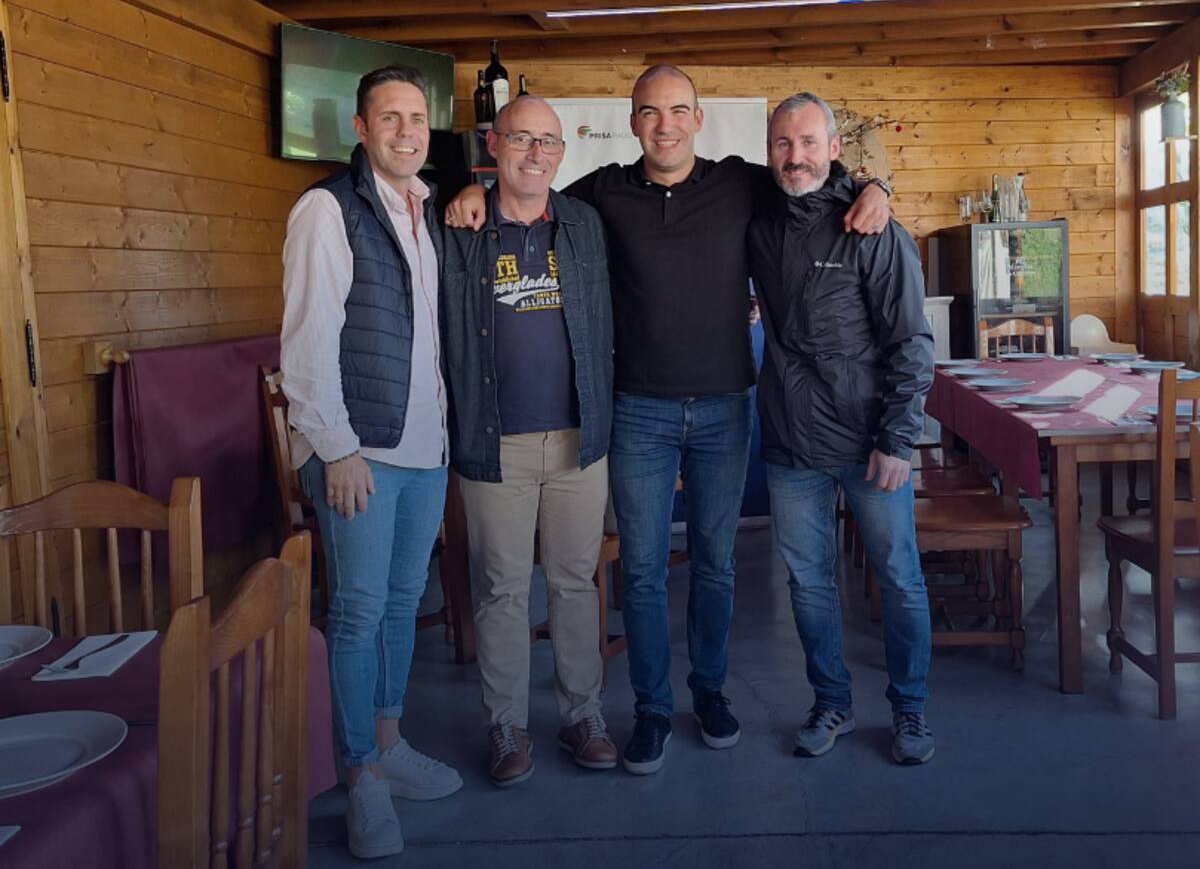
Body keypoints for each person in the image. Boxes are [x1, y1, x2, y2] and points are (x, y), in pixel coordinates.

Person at [447, 65, 891, 776]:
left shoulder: (740, 182)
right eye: (651, 112)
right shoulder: (602, 193)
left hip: (723, 409)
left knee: (715, 566)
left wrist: (876, 187)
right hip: (637, 412)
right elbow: (528, 194)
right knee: (645, 572)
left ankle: (709, 693)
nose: (665, 125)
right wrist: (470, 190)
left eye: (678, 110)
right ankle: (652, 708)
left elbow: (811, 176)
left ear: (698, 119)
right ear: (632, 123)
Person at [280, 65, 461, 860]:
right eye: (389, 118)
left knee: (400, 603)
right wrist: (337, 447)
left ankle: (388, 743)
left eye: (416, 118)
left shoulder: (426, 208)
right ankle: (359, 775)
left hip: (426, 447)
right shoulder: (328, 209)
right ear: (360, 128)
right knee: (356, 612)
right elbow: (307, 340)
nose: (405, 131)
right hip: (360, 451)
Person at [748, 92, 936, 766]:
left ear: (833, 149)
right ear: (769, 151)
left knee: (899, 578)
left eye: (807, 142)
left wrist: (898, 439)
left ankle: (910, 709)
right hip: (791, 443)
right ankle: (831, 702)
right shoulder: (758, 219)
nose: (794, 156)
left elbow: (912, 341)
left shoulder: (872, 226)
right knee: (808, 584)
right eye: (782, 143)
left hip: (869, 444)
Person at [441, 96, 618, 787]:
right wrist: (464, 189)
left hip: (580, 437)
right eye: (521, 139)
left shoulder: (584, 223)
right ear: (493, 144)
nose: (536, 153)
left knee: (575, 583)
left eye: (548, 141)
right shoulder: (458, 226)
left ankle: (583, 715)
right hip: (494, 442)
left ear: (562, 152)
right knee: (502, 590)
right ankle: (506, 725)